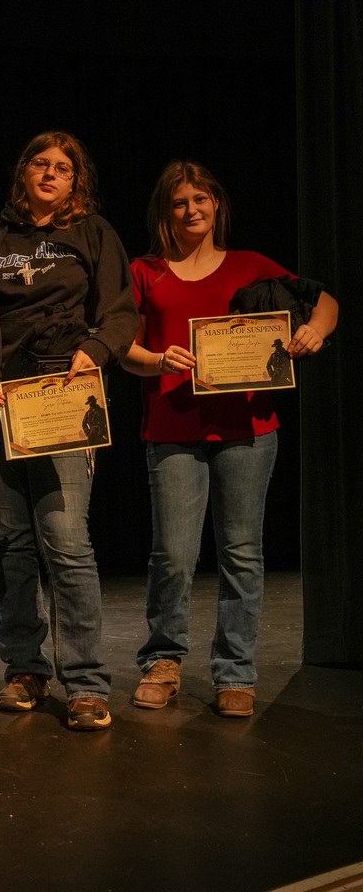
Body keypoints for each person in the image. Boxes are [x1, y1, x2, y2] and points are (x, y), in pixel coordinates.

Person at [121, 160, 337, 717]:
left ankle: (235, 671)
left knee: (241, 552)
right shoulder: (146, 271)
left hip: (248, 428)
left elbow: (325, 300)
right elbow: (123, 348)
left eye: (200, 199)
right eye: (179, 202)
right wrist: (156, 359)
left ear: (216, 204)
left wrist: (314, 329)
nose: (191, 210)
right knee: (173, 553)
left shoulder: (250, 266)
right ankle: (163, 661)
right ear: (165, 211)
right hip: (172, 427)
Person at [0, 130, 138, 732]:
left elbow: (121, 309)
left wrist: (95, 350)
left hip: (67, 392)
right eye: (40, 164)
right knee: (12, 544)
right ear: (23, 173)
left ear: (76, 180)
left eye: (62, 168)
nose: (50, 173)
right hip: (5, 400)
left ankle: (87, 684)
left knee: (65, 539)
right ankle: (25, 668)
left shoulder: (93, 233)